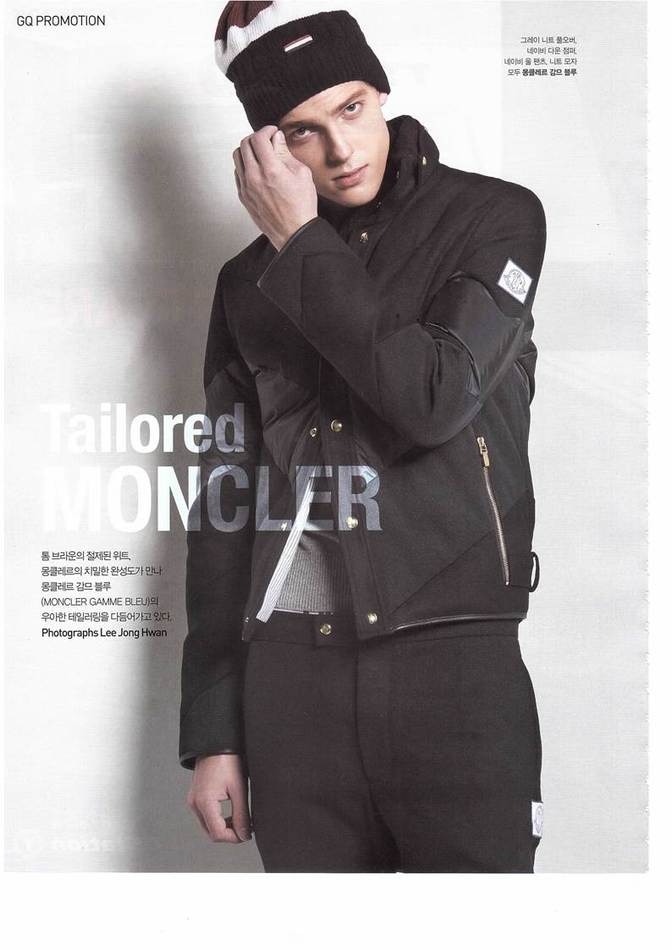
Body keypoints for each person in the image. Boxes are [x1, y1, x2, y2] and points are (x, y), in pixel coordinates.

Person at [179, 0, 547, 873]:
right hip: (291, 686)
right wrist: (215, 731)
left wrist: (299, 239)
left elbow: (432, 399)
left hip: (455, 667)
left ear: (380, 92)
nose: (342, 150)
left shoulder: (495, 219)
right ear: (267, 149)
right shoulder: (243, 284)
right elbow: (225, 506)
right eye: (303, 132)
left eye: (351, 108)